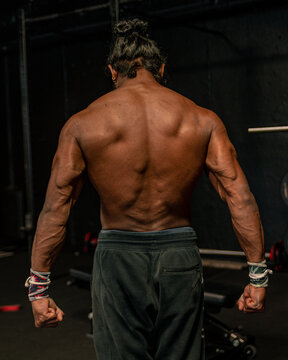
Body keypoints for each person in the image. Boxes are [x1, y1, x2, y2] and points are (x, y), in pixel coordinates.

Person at [26, 18, 268, 360]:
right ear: (162, 68)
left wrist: (39, 288)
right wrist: (257, 276)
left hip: (117, 258)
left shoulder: (82, 124)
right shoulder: (202, 119)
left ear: (112, 71)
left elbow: (56, 207)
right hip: (179, 256)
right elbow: (238, 196)